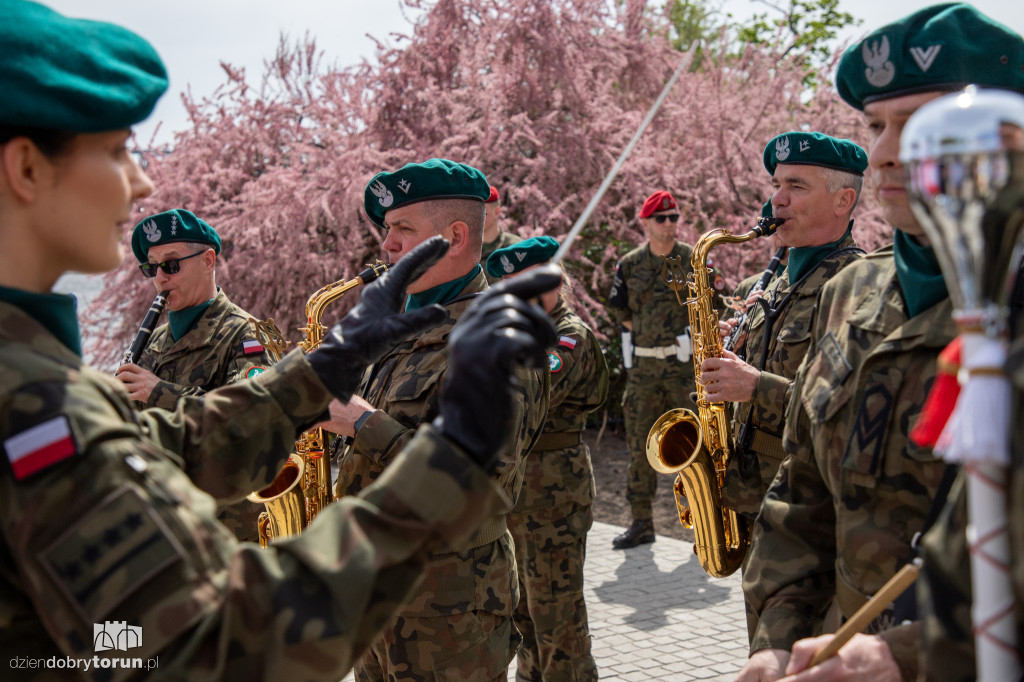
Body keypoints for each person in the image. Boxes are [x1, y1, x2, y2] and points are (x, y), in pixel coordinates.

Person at [0, 2, 561, 678]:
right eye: (118, 151)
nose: (142, 179)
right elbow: (205, 651)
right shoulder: (28, 396)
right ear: (27, 169)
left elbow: (174, 449)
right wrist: (448, 463)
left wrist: (330, 364)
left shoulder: (34, 377)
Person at [736, 5, 1024, 681]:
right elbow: (798, 496)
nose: (887, 152)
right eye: (876, 126)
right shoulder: (853, 294)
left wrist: (910, 657)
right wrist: (777, 642)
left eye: (922, 124)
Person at [329, 159, 550, 681]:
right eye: (386, 229)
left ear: (454, 236)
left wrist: (363, 422)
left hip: (446, 617)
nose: (387, 244)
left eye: (404, 228)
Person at [703, 132, 866, 637]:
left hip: (813, 514)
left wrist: (756, 386)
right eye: (777, 183)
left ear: (844, 200)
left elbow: (849, 411)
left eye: (797, 185)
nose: (778, 198)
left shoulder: (858, 285)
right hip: (755, 502)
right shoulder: (761, 286)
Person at [486, 236, 609, 682]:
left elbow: (526, 395)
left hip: (554, 496)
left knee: (558, 620)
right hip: (516, 495)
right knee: (523, 618)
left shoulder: (568, 337)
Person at [116, 208, 271, 542]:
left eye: (171, 264)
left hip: (221, 531)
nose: (160, 277)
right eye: (151, 267)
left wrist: (158, 392)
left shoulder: (245, 335)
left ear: (208, 260)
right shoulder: (153, 341)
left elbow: (249, 416)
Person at [606, 189, 725, 549]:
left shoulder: (693, 259)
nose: (670, 224)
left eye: (674, 218)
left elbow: (714, 305)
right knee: (642, 446)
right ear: (646, 223)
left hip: (683, 372)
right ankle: (641, 522)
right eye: (662, 219)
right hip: (643, 371)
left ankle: (703, 526)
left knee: (695, 449)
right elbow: (620, 310)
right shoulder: (629, 265)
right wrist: (646, 341)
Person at [480, 184, 522, 283]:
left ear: (497, 212)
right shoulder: (466, 250)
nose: (477, 217)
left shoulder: (515, 248)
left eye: (482, 212)